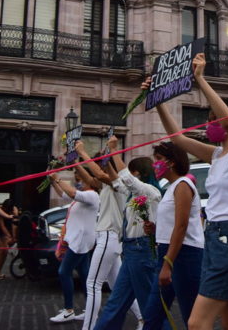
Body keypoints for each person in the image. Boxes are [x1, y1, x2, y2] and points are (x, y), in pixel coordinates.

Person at [148, 52, 228, 330]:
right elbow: (177, 138)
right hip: (217, 233)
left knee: (197, 322)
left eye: (213, 118)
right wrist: (157, 100)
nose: (209, 124)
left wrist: (200, 79)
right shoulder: (217, 155)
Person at [72, 140, 144, 330]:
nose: (99, 166)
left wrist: (83, 152)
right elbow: (91, 179)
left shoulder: (117, 182)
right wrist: (76, 162)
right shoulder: (107, 185)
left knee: (93, 284)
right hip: (109, 239)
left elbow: (98, 174)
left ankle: (89, 327)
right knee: (117, 286)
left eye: (101, 163)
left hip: (109, 236)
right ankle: (143, 318)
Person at [92, 150, 162, 330]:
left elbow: (127, 180)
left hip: (142, 250)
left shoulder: (151, 192)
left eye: (131, 172)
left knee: (149, 307)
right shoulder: (134, 195)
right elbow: (118, 182)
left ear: (137, 173)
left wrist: (115, 151)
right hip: (131, 250)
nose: (127, 176)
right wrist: (107, 162)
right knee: (116, 303)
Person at [142, 141, 204, 330]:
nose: (155, 164)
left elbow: (182, 226)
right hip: (168, 253)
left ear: (172, 162)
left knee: (191, 318)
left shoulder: (183, 185)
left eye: (159, 159)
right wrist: (156, 229)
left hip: (184, 256)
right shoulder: (171, 187)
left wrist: (168, 263)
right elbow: (174, 224)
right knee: (152, 316)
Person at [48, 164, 100, 324]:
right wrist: (52, 181)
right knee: (84, 274)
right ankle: (90, 310)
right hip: (79, 241)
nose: (78, 181)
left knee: (64, 272)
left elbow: (71, 192)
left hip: (80, 242)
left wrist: (58, 178)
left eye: (81, 178)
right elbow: (64, 194)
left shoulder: (92, 195)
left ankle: (69, 310)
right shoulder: (83, 196)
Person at [0, 198, 18, 280]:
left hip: (6, 229)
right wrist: (9, 236)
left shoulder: (14, 209)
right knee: (0, 251)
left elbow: (14, 224)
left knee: (5, 251)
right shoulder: (0, 210)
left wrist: (14, 236)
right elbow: (2, 226)